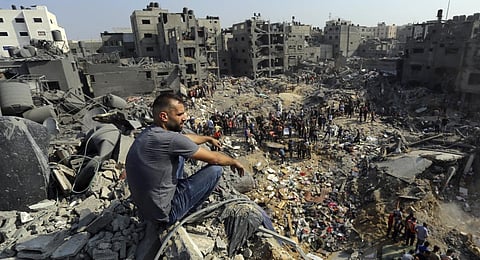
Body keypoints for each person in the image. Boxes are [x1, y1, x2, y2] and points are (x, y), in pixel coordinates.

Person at [125, 93, 245, 227]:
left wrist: (208, 138)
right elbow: (215, 158)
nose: (185, 118)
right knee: (216, 170)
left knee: (180, 155)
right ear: (164, 116)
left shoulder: (150, 132)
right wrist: (234, 161)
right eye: (179, 114)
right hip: (165, 215)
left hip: (146, 209)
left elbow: (185, 139)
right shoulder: (171, 140)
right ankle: (190, 212)